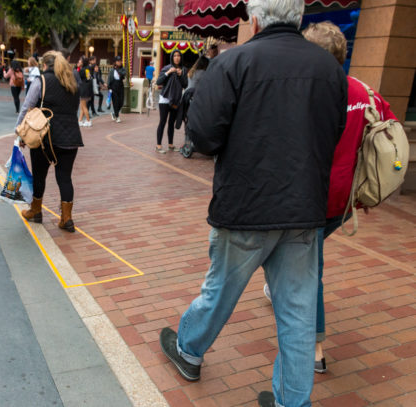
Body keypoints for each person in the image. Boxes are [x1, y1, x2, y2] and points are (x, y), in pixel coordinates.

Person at [158, 1, 347, 407]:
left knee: (220, 290)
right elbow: (333, 131)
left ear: (256, 19)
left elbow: (203, 136)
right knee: (298, 316)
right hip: (303, 208)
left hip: (246, 204)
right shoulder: (329, 69)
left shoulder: (234, 62)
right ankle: (292, 402)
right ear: (298, 19)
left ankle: (189, 350)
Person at [262, 21, 398, 376]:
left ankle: (315, 347)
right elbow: (389, 127)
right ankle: (276, 287)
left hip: (311, 201)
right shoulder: (363, 91)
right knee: (303, 258)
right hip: (346, 200)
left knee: (310, 272)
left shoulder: (308, 92)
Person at [16, 51, 82, 233]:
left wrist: (19, 131)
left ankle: (36, 211)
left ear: (44, 65)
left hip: (46, 136)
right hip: (71, 136)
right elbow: (74, 109)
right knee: (65, 177)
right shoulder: (72, 81)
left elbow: (27, 107)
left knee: (39, 174)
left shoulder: (42, 81)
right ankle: (66, 218)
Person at [155, 50, 187, 153]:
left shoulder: (184, 70)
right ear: (172, 57)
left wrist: (180, 75)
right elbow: (158, 82)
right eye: (175, 56)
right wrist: (168, 72)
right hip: (165, 99)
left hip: (175, 100)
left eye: (179, 56)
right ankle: (158, 145)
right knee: (162, 122)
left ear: (181, 57)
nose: (177, 57)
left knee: (171, 122)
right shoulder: (166, 68)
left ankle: (170, 145)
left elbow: (185, 84)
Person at [107, 56, 125, 123]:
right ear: (115, 62)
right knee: (115, 102)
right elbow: (109, 78)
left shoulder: (122, 69)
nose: (120, 62)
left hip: (120, 87)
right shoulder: (112, 70)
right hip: (113, 87)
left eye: (120, 61)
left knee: (121, 102)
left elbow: (123, 74)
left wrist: (117, 69)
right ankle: (117, 117)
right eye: (118, 61)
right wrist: (109, 87)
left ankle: (114, 113)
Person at [76, 56, 93, 127]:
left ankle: (88, 121)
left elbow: (76, 76)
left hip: (83, 89)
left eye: (80, 60)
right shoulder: (88, 69)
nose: (79, 61)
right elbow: (89, 78)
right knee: (82, 106)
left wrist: (77, 67)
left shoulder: (82, 70)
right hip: (87, 89)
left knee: (83, 106)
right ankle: (79, 121)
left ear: (83, 62)